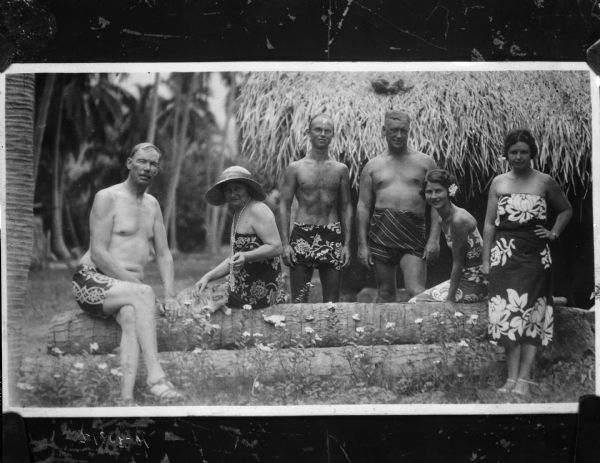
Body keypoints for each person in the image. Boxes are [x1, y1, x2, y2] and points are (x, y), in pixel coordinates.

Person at [72, 142, 183, 405]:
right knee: (143, 294)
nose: (147, 167)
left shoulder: (152, 205)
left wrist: (169, 295)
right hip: (91, 280)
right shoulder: (107, 198)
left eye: (153, 164)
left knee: (132, 316)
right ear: (129, 163)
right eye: (142, 161)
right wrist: (140, 288)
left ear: (157, 169)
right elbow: (98, 253)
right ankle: (156, 378)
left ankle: (125, 400)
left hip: (126, 292)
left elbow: (164, 254)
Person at [482, 129, 572, 396]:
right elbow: (488, 223)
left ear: (531, 153)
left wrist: (553, 232)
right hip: (504, 254)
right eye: (513, 152)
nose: (518, 157)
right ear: (507, 154)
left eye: (523, 152)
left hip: (535, 256)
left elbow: (566, 210)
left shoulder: (544, 182)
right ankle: (510, 379)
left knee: (532, 313)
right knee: (507, 314)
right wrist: (486, 259)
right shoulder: (498, 182)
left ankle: (524, 379)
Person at [357, 110, 441, 302]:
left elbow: (437, 203)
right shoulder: (372, 166)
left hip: (413, 231)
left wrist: (434, 239)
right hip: (381, 232)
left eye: (403, 130)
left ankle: (419, 331)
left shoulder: (425, 163)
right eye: (394, 130)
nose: (399, 135)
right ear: (384, 130)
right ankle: (387, 333)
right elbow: (363, 206)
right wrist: (362, 245)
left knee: (417, 292)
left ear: (409, 130)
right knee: (385, 293)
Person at [279, 114, 353, 302]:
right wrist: (286, 244)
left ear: (332, 135)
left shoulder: (340, 169)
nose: (322, 134)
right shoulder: (295, 168)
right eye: (317, 130)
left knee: (331, 301)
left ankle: (330, 332)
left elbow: (346, 207)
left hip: (332, 232)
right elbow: (284, 206)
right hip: (303, 233)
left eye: (327, 130)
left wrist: (346, 244)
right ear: (308, 133)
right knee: (299, 299)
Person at [195, 166, 285, 309]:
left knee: (208, 304)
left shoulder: (258, 209)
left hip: (262, 291)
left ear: (248, 189)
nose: (233, 194)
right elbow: (234, 259)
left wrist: (246, 256)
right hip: (241, 287)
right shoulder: (238, 213)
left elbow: (276, 247)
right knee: (202, 297)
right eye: (228, 190)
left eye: (238, 189)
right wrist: (208, 276)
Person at [411, 169, 487, 303]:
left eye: (438, 191)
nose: (433, 196)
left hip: (476, 282)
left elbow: (458, 264)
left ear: (449, 191)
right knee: (417, 301)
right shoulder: (442, 219)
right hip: (465, 277)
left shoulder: (458, 220)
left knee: (418, 302)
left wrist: (450, 300)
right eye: (429, 192)